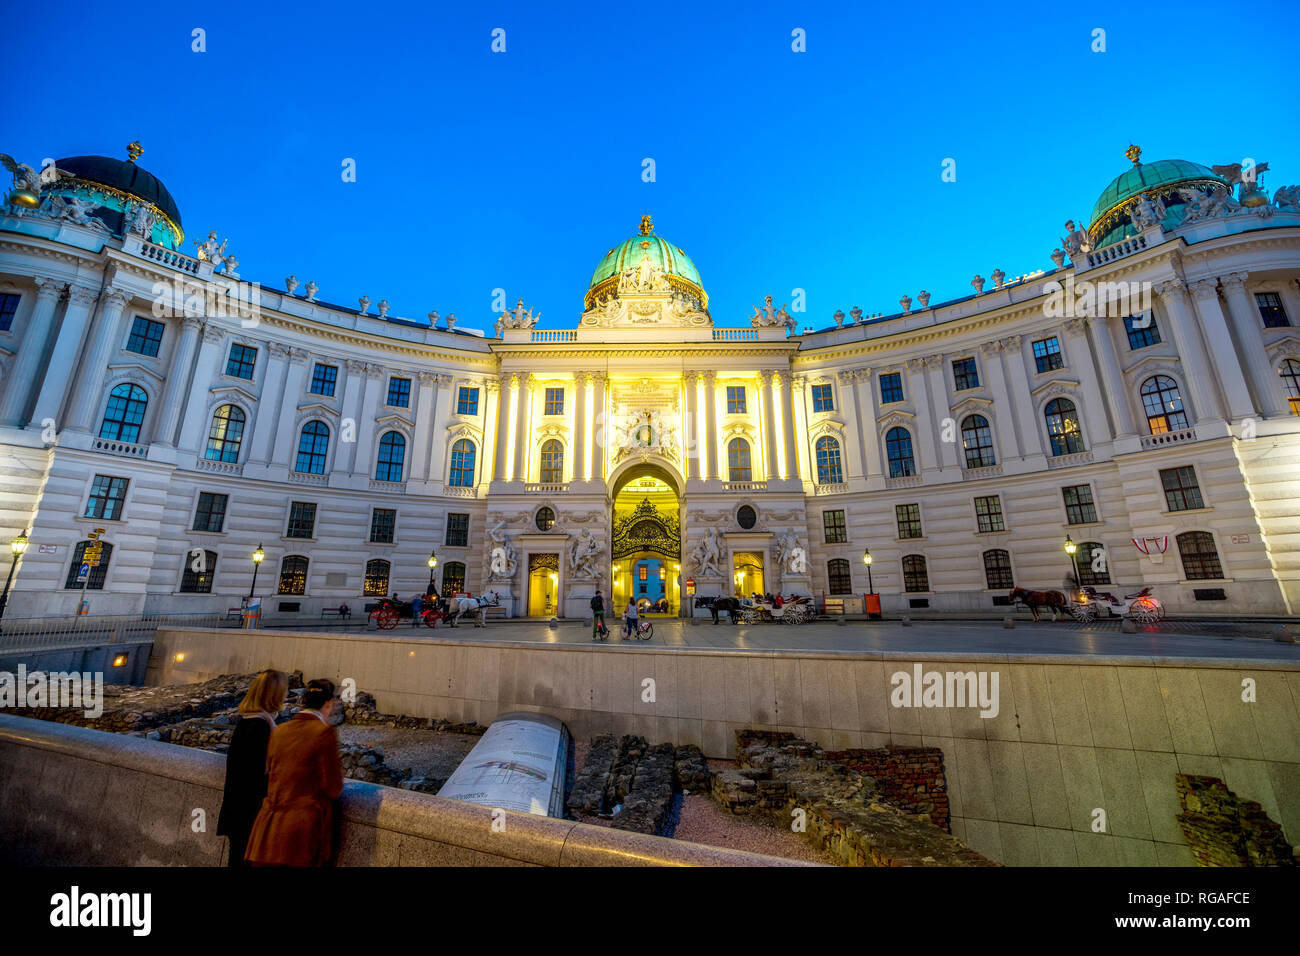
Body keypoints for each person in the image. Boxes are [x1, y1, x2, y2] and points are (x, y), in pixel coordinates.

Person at [244, 678, 345, 867]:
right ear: (328, 704)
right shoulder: (323, 732)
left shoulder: (280, 730)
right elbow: (333, 788)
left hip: (268, 829)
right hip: (301, 832)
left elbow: (272, 771)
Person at [216, 669, 287, 868]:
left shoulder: (247, 723)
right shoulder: (261, 728)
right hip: (250, 816)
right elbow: (256, 777)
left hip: (238, 813)